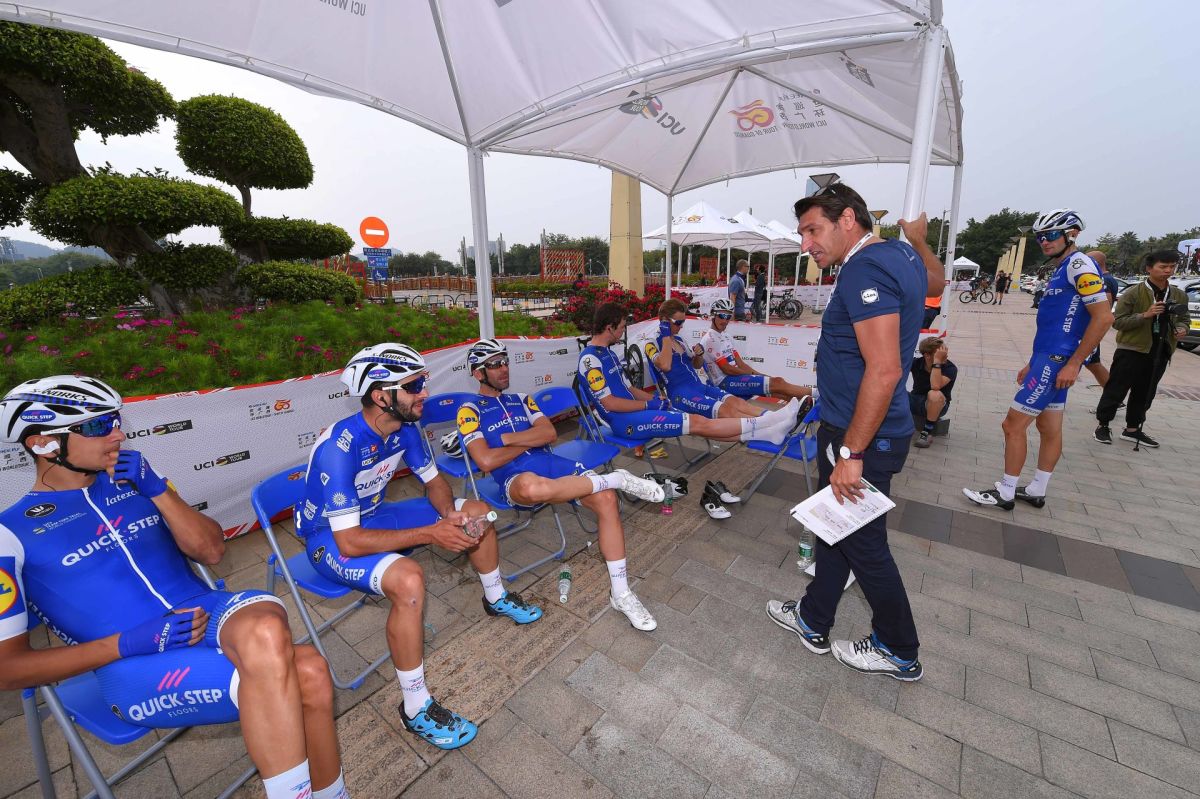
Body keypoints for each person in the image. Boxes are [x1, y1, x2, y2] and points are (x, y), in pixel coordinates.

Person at [0, 376, 348, 799]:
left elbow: (212, 551)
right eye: (97, 426)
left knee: (268, 622)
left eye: (116, 420)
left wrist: (159, 490)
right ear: (43, 444)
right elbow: (8, 670)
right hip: (128, 659)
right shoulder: (8, 534)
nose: (118, 434)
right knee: (308, 672)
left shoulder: (138, 479)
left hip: (205, 611)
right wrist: (128, 642)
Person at [298, 343, 545, 752]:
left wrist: (448, 516)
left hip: (374, 515)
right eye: (413, 386)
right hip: (330, 538)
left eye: (423, 382)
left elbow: (434, 483)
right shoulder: (339, 447)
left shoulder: (405, 428)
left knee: (475, 512)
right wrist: (432, 534)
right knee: (409, 579)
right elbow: (349, 541)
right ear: (381, 396)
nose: (424, 393)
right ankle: (415, 708)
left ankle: (496, 597)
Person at [765, 183, 943, 681]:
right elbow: (937, 280)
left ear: (847, 219)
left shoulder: (864, 268)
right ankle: (814, 617)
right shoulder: (900, 255)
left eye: (812, 230)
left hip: (860, 433)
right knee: (834, 527)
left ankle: (898, 648)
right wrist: (919, 240)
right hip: (861, 427)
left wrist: (851, 453)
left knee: (865, 547)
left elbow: (884, 370)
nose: (806, 245)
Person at [458, 339, 661, 630]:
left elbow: (550, 434)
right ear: (478, 373)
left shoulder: (522, 399)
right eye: (495, 364)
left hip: (551, 464)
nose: (504, 368)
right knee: (532, 488)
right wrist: (529, 439)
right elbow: (486, 461)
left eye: (505, 361)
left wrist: (506, 440)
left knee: (606, 500)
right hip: (516, 477)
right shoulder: (469, 410)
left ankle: (621, 594)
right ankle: (616, 478)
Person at [963, 209, 1113, 512]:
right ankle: (1036, 489)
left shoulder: (1079, 264)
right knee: (1048, 426)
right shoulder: (1062, 266)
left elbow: (1104, 317)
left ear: (1071, 234)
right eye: (1040, 237)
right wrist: (1033, 361)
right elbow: (1052, 323)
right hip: (1048, 357)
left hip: (1057, 360)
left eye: (1051, 235)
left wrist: (1074, 363)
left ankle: (1006, 492)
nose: (1044, 241)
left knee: (1012, 425)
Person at [576, 302, 803, 449]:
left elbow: (630, 390)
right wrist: (649, 405)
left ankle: (768, 429)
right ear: (609, 327)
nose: (623, 331)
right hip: (623, 420)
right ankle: (769, 423)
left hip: (651, 405)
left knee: (707, 420)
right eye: (622, 326)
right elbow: (610, 403)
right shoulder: (590, 359)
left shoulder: (609, 354)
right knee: (700, 422)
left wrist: (655, 400)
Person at [1094, 250, 1191, 447]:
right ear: (1149, 268)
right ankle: (1103, 425)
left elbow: (1184, 319)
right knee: (1116, 388)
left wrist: (1182, 328)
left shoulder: (1179, 295)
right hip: (1132, 349)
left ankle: (1132, 429)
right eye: (1163, 267)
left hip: (1160, 350)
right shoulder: (1133, 293)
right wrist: (1145, 315)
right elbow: (1118, 322)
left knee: (1146, 392)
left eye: (1172, 267)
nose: (1168, 271)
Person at [652, 298, 764, 419]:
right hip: (681, 394)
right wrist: (666, 336)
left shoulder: (680, 340)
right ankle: (766, 425)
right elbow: (665, 366)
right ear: (664, 321)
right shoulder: (652, 342)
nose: (682, 326)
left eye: (683, 322)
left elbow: (697, 365)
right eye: (678, 322)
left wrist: (699, 355)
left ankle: (772, 418)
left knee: (737, 402)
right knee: (725, 410)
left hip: (699, 387)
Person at [698, 297, 816, 403]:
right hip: (724, 382)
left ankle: (808, 407)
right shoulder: (710, 339)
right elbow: (727, 369)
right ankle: (818, 394)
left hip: (733, 378)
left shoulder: (726, 336)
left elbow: (741, 364)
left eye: (728, 316)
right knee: (777, 383)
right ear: (713, 315)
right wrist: (753, 375)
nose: (725, 320)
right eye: (721, 316)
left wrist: (760, 375)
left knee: (777, 389)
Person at [1081, 250, 1120, 388]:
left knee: (1093, 363)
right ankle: (1112, 394)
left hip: (1090, 328)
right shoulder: (1104, 278)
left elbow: (1105, 308)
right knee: (1092, 363)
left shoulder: (1104, 280)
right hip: (1088, 327)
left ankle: (1112, 395)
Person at [910, 337, 957, 449]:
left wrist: (937, 362)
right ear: (927, 355)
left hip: (938, 405)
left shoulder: (950, 368)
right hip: (915, 400)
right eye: (940, 353)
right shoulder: (916, 363)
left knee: (934, 394)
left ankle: (926, 433)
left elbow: (935, 386)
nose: (945, 355)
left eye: (944, 351)